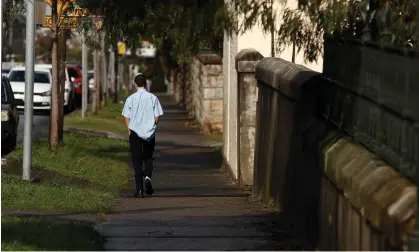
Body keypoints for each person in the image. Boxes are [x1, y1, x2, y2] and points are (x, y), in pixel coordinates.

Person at [122, 73, 164, 197]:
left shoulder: (130, 99)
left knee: (136, 160)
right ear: (145, 83)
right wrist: (153, 127)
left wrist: (129, 130)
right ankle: (148, 177)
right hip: (149, 133)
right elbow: (157, 116)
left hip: (135, 132)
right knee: (148, 157)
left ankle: (139, 190)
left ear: (135, 84)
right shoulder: (153, 98)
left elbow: (126, 116)